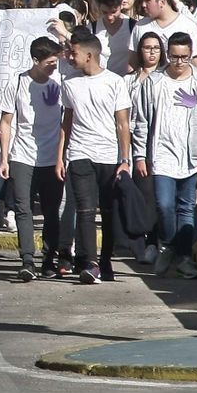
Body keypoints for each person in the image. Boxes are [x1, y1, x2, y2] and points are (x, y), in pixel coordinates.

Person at [133, 32, 197, 280]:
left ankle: (182, 257)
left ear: (191, 55)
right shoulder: (154, 82)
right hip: (162, 154)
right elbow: (141, 122)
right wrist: (139, 155)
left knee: (186, 207)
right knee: (164, 204)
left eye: (184, 57)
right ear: (166, 54)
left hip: (192, 156)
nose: (179, 62)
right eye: (173, 56)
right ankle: (170, 244)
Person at [58, 30, 132, 284]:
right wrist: (62, 156)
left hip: (109, 155)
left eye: (73, 52)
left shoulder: (115, 82)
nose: (69, 56)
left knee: (108, 211)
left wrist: (125, 159)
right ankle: (89, 262)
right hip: (80, 153)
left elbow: (123, 124)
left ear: (89, 55)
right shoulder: (69, 83)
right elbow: (66, 122)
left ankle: (106, 259)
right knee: (85, 209)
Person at [0, 37, 67, 281]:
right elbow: (6, 123)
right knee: (23, 209)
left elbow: (65, 120)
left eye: (55, 61)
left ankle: (49, 259)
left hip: (52, 157)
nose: (53, 67)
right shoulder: (18, 83)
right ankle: (27, 259)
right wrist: (4, 158)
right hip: (22, 155)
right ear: (35, 60)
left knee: (51, 211)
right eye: (49, 62)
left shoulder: (60, 82)